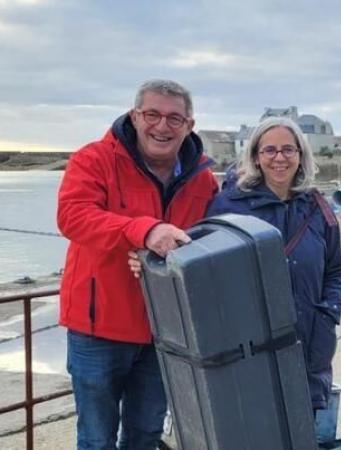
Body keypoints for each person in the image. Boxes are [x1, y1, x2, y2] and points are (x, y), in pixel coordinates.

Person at [57, 79, 219, 450]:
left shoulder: (204, 180)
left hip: (165, 329)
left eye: (174, 118)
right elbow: (72, 216)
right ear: (135, 116)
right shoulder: (93, 159)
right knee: (96, 438)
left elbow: (210, 240)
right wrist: (144, 232)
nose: (162, 126)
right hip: (98, 328)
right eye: (152, 115)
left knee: (145, 434)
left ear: (189, 126)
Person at [206, 117, 341, 418]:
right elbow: (210, 278)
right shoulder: (227, 208)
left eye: (288, 149)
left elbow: (336, 268)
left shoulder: (317, 207)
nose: (279, 158)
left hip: (308, 345)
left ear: (301, 155)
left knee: (301, 428)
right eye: (270, 150)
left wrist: (329, 312)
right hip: (249, 352)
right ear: (256, 156)